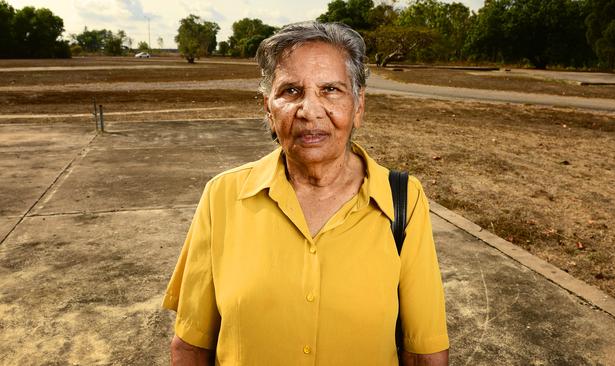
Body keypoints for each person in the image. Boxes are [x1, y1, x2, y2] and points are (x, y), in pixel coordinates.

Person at [162, 21, 449, 366]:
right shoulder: (222, 196)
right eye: (291, 91)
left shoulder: (403, 200)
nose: (310, 111)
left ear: (358, 107)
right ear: (268, 108)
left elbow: (425, 355)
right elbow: (191, 348)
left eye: (330, 89)